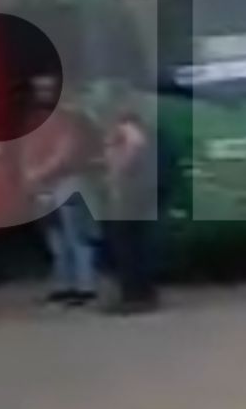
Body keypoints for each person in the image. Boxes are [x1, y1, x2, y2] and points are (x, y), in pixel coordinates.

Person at [20, 75, 100, 306]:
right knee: (57, 237)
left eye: (47, 89)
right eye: (39, 89)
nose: (43, 94)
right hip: (48, 182)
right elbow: (28, 147)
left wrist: (36, 174)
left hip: (69, 180)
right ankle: (66, 285)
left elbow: (67, 151)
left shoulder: (73, 119)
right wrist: (31, 176)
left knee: (76, 235)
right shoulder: (37, 119)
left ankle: (84, 286)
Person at [99, 104, 162, 315]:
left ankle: (133, 295)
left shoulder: (128, 131)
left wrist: (116, 167)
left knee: (126, 247)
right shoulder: (143, 132)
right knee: (136, 245)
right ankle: (144, 292)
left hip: (127, 199)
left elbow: (131, 153)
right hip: (138, 197)